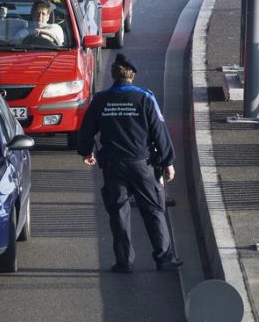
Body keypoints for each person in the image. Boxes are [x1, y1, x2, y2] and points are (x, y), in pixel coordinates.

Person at [77, 54, 184, 273]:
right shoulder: (144, 98)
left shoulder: (101, 100)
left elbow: (87, 130)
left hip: (113, 165)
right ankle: (164, 258)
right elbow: (159, 132)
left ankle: (124, 261)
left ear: (113, 75)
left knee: (118, 212)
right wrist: (167, 161)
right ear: (132, 75)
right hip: (142, 164)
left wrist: (86, 151)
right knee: (153, 210)